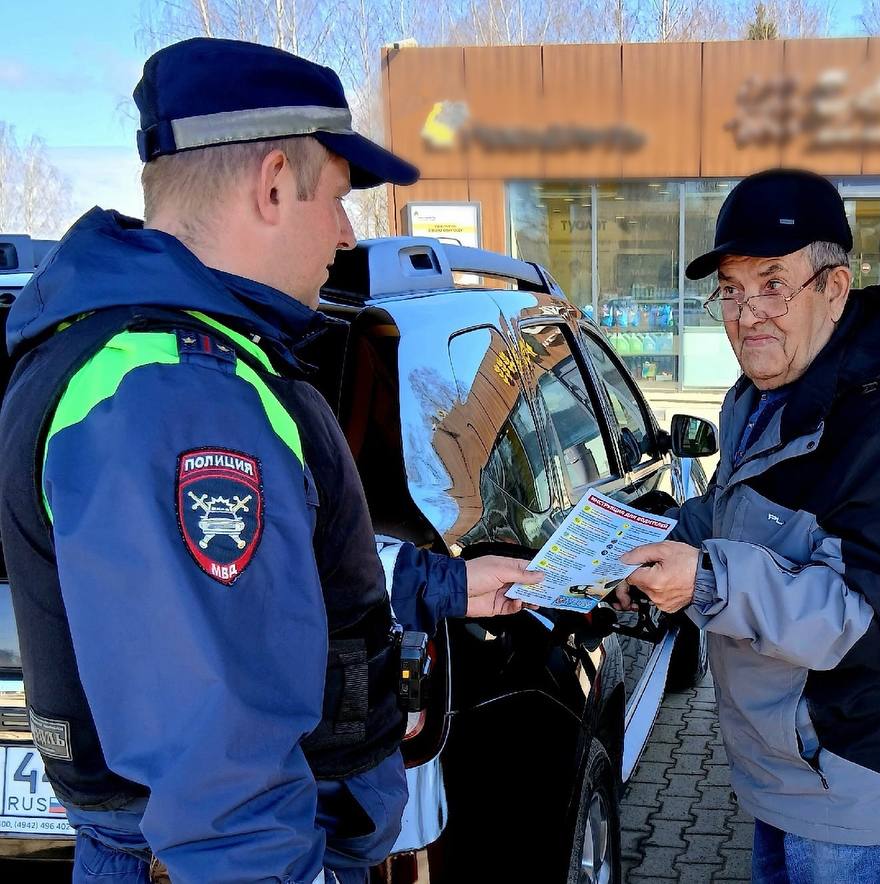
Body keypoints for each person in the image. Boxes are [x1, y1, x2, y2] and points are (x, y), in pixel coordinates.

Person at [0, 38, 539, 883]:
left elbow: (269, 577)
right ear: (275, 182)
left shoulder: (181, 363)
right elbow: (221, 779)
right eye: (337, 196)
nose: (346, 231)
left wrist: (444, 585)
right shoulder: (173, 398)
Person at [616, 169, 880, 884]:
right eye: (733, 292)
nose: (749, 316)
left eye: (773, 285)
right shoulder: (761, 396)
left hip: (856, 774)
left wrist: (709, 582)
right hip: (787, 766)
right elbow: (732, 514)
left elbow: (872, 613)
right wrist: (657, 538)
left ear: (834, 289)